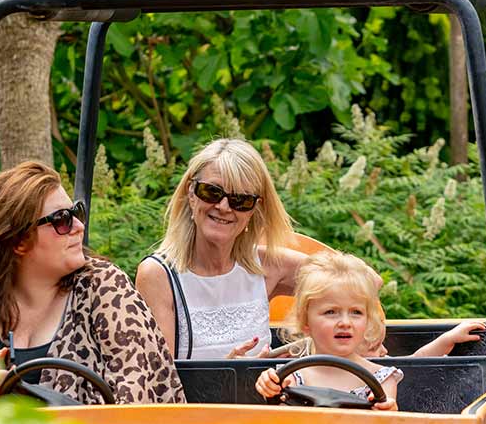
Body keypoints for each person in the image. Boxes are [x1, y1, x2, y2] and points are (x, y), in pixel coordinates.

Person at [0, 161, 184, 405]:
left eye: (76, 213)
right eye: (62, 220)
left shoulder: (103, 287)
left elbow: (138, 406)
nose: (79, 226)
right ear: (18, 241)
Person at [136, 138, 309, 360]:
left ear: (254, 209)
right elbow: (162, 381)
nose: (224, 207)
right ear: (191, 193)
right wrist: (229, 375)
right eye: (212, 192)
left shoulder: (267, 266)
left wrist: (309, 347)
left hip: (266, 395)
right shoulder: (159, 275)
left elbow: (358, 286)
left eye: (240, 199)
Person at [256, 251, 402, 410]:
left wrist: (388, 412)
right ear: (305, 322)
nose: (345, 323)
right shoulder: (290, 378)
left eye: (356, 312)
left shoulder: (382, 379)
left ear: (367, 321)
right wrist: (268, 388)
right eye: (331, 312)